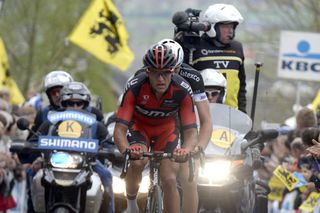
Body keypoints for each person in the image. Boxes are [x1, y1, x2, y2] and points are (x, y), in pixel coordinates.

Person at [114, 44, 198, 213]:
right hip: (140, 127)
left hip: (167, 130)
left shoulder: (182, 89)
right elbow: (119, 130)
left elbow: (190, 131)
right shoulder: (135, 87)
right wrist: (127, 150)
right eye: (155, 73)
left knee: (169, 180)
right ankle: (131, 204)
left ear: (172, 71)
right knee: (138, 163)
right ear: (147, 72)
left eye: (165, 73)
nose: (161, 79)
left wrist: (186, 150)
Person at [29, 81, 114, 213]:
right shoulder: (51, 122)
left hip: (87, 163)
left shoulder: (96, 125)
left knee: (107, 175)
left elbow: (109, 144)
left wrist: (111, 151)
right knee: (35, 176)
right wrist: (28, 147)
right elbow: (35, 139)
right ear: (63, 103)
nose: (74, 106)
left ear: (85, 104)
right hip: (54, 162)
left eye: (78, 103)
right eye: (70, 103)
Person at [176, 3, 247, 113]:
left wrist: (243, 114)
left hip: (231, 118)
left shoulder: (237, 47)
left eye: (232, 26)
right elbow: (181, 79)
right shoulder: (195, 46)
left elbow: (241, 85)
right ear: (213, 27)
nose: (230, 31)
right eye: (225, 26)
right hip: (201, 116)